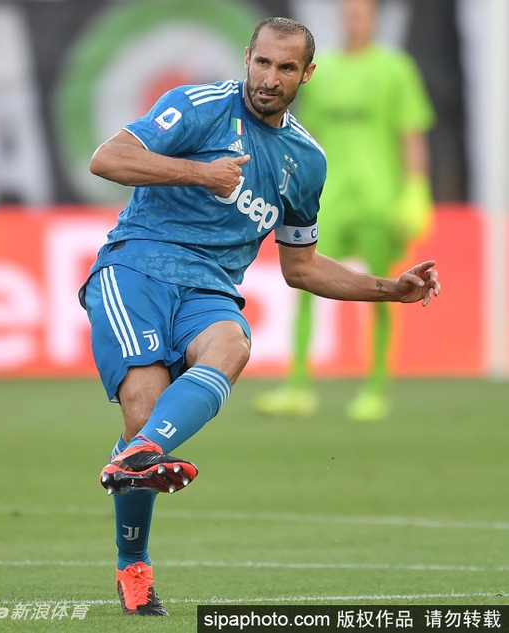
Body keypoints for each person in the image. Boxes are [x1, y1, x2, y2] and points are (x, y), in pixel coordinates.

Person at [80, 16, 440, 616]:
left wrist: (389, 289)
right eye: (263, 63)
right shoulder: (198, 106)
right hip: (137, 266)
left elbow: (301, 267)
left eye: (286, 68)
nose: (270, 78)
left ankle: (136, 457)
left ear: (307, 74)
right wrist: (202, 172)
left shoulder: (305, 160)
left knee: (232, 345)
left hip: (211, 288)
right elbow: (106, 159)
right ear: (247, 56)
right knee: (146, 410)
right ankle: (133, 566)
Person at [252, 0, 436, 422]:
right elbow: (306, 133)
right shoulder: (324, 69)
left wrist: (416, 187)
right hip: (327, 198)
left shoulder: (395, 69)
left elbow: (411, 131)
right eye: (349, 12)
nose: (354, 20)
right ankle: (299, 385)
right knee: (303, 280)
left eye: (362, 13)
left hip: (378, 198)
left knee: (383, 289)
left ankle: (375, 387)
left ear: (374, 19)